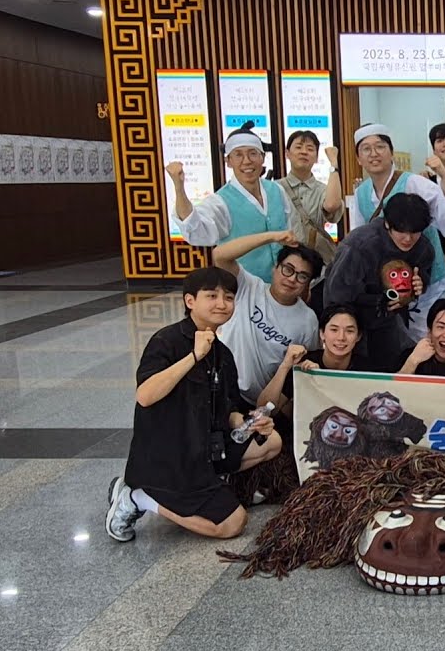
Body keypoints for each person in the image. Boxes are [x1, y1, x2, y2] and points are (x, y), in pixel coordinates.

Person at [105, 267, 282, 542]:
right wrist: (194, 356)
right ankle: (138, 497)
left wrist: (251, 422)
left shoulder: (223, 353)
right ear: (190, 301)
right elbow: (145, 395)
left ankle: (209, 481)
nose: (222, 304)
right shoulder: (168, 340)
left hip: (204, 450)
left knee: (271, 442)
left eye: (229, 297)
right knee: (232, 524)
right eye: (212, 296)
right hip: (167, 458)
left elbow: (229, 411)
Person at [346, 123, 445, 340]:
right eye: (366, 149)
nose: (374, 154)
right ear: (358, 158)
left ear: (391, 152)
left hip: (428, 281)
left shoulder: (415, 183)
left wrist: (444, 177)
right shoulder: (360, 194)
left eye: (380, 146)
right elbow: (360, 238)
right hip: (390, 286)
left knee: (430, 339)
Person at [212, 230, 322, 407]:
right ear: (275, 267)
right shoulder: (249, 287)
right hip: (221, 387)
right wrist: (272, 237)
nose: (292, 279)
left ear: (307, 283)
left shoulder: (308, 320)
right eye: (288, 269)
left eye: (302, 276)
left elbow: (305, 366)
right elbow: (220, 255)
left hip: (262, 402)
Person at [325, 193, 433, 372]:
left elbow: (422, 275)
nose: (408, 239)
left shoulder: (423, 248)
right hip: (353, 320)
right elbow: (337, 297)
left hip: (389, 323)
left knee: (390, 370)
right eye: (401, 231)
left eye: (414, 232)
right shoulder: (360, 246)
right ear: (387, 224)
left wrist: (418, 285)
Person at [169, 123, 290, 283]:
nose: (246, 161)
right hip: (242, 288)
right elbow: (195, 229)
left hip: (282, 287)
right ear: (228, 161)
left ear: (262, 158)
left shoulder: (276, 190)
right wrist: (179, 187)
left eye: (253, 154)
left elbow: (290, 229)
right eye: (238, 155)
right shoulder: (221, 201)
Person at [254, 305, 368, 420]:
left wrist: (321, 380)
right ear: (322, 334)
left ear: (358, 336)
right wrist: (285, 366)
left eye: (349, 331)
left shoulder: (368, 371)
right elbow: (263, 410)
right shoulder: (304, 363)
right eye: (334, 330)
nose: (341, 337)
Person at [277, 130, 344, 273]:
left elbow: (332, 205)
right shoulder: (275, 188)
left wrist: (333, 163)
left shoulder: (323, 189)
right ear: (287, 154)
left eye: (310, 149)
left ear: (316, 157)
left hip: (319, 266)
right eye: (298, 147)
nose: (304, 152)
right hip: (284, 265)